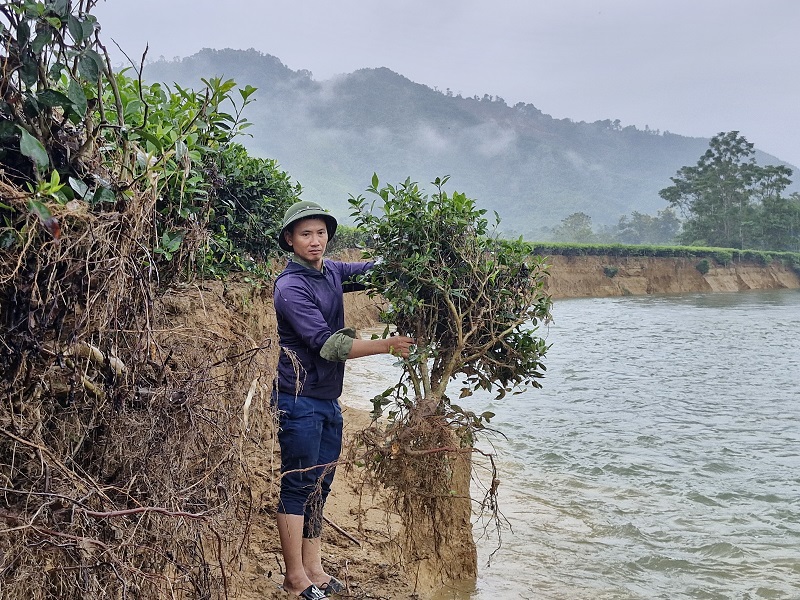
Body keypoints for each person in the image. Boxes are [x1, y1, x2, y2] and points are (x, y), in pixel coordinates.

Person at [272, 200, 414, 599]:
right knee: (298, 484)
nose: (315, 241)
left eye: (320, 233)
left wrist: (410, 259)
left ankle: (314, 568)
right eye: (305, 234)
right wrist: (386, 345)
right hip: (298, 399)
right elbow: (327, 345)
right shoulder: (290, 287)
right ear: (290, 239)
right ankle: (294, 576)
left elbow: (373, 272)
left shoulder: (331, 270)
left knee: (321, 483)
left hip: (328, 397)